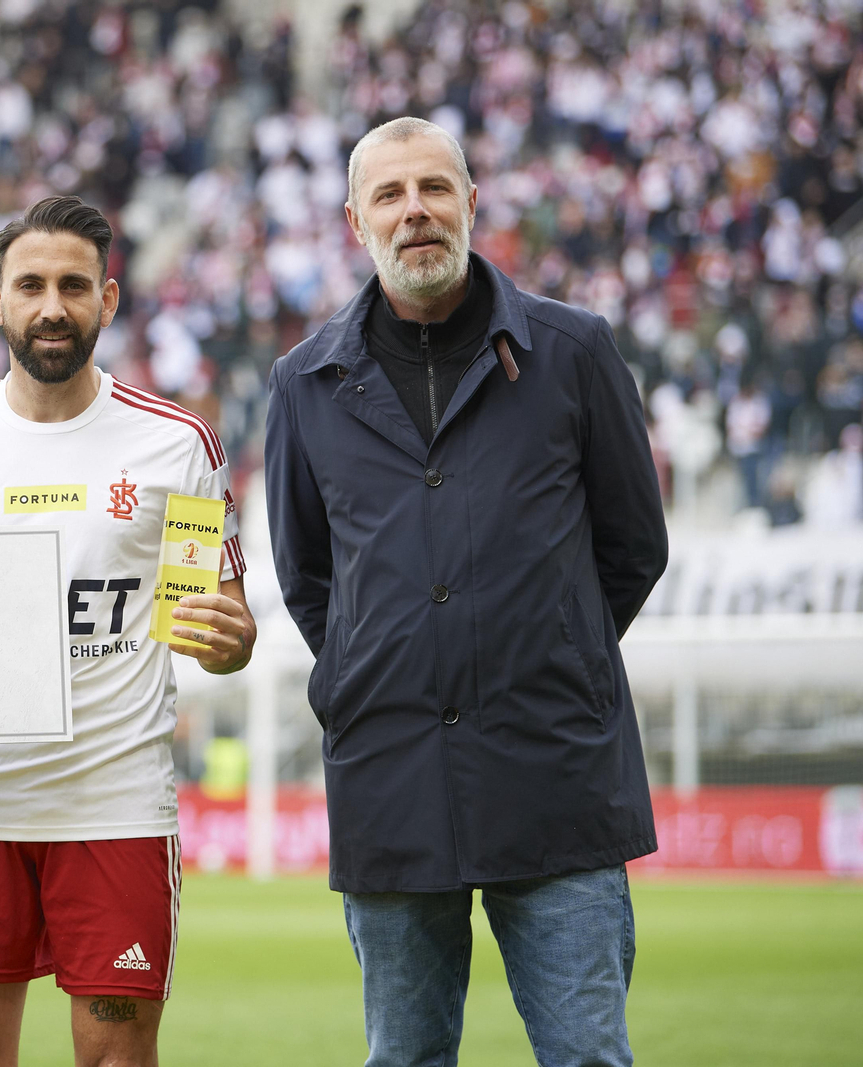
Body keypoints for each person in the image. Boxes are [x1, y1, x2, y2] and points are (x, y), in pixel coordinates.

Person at [264, 117, 668, 1067]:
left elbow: (634, 546)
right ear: (354, 221)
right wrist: (382, 669)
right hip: (390, 783)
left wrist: (549, 651)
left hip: (556, 777)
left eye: (435, 190)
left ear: (472, 204)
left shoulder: (575, 351)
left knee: (589, 1057)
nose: (416, 213)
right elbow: (307, 578)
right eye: (391, 197)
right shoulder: (304, 383)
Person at [0, 195, 256, 1067]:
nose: (52, 306)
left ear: (108, 301)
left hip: (113, 806)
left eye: (75, 286)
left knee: (115, 1058)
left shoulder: (174, 444)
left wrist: (227, 637)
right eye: (30, 285)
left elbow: (211, 616)